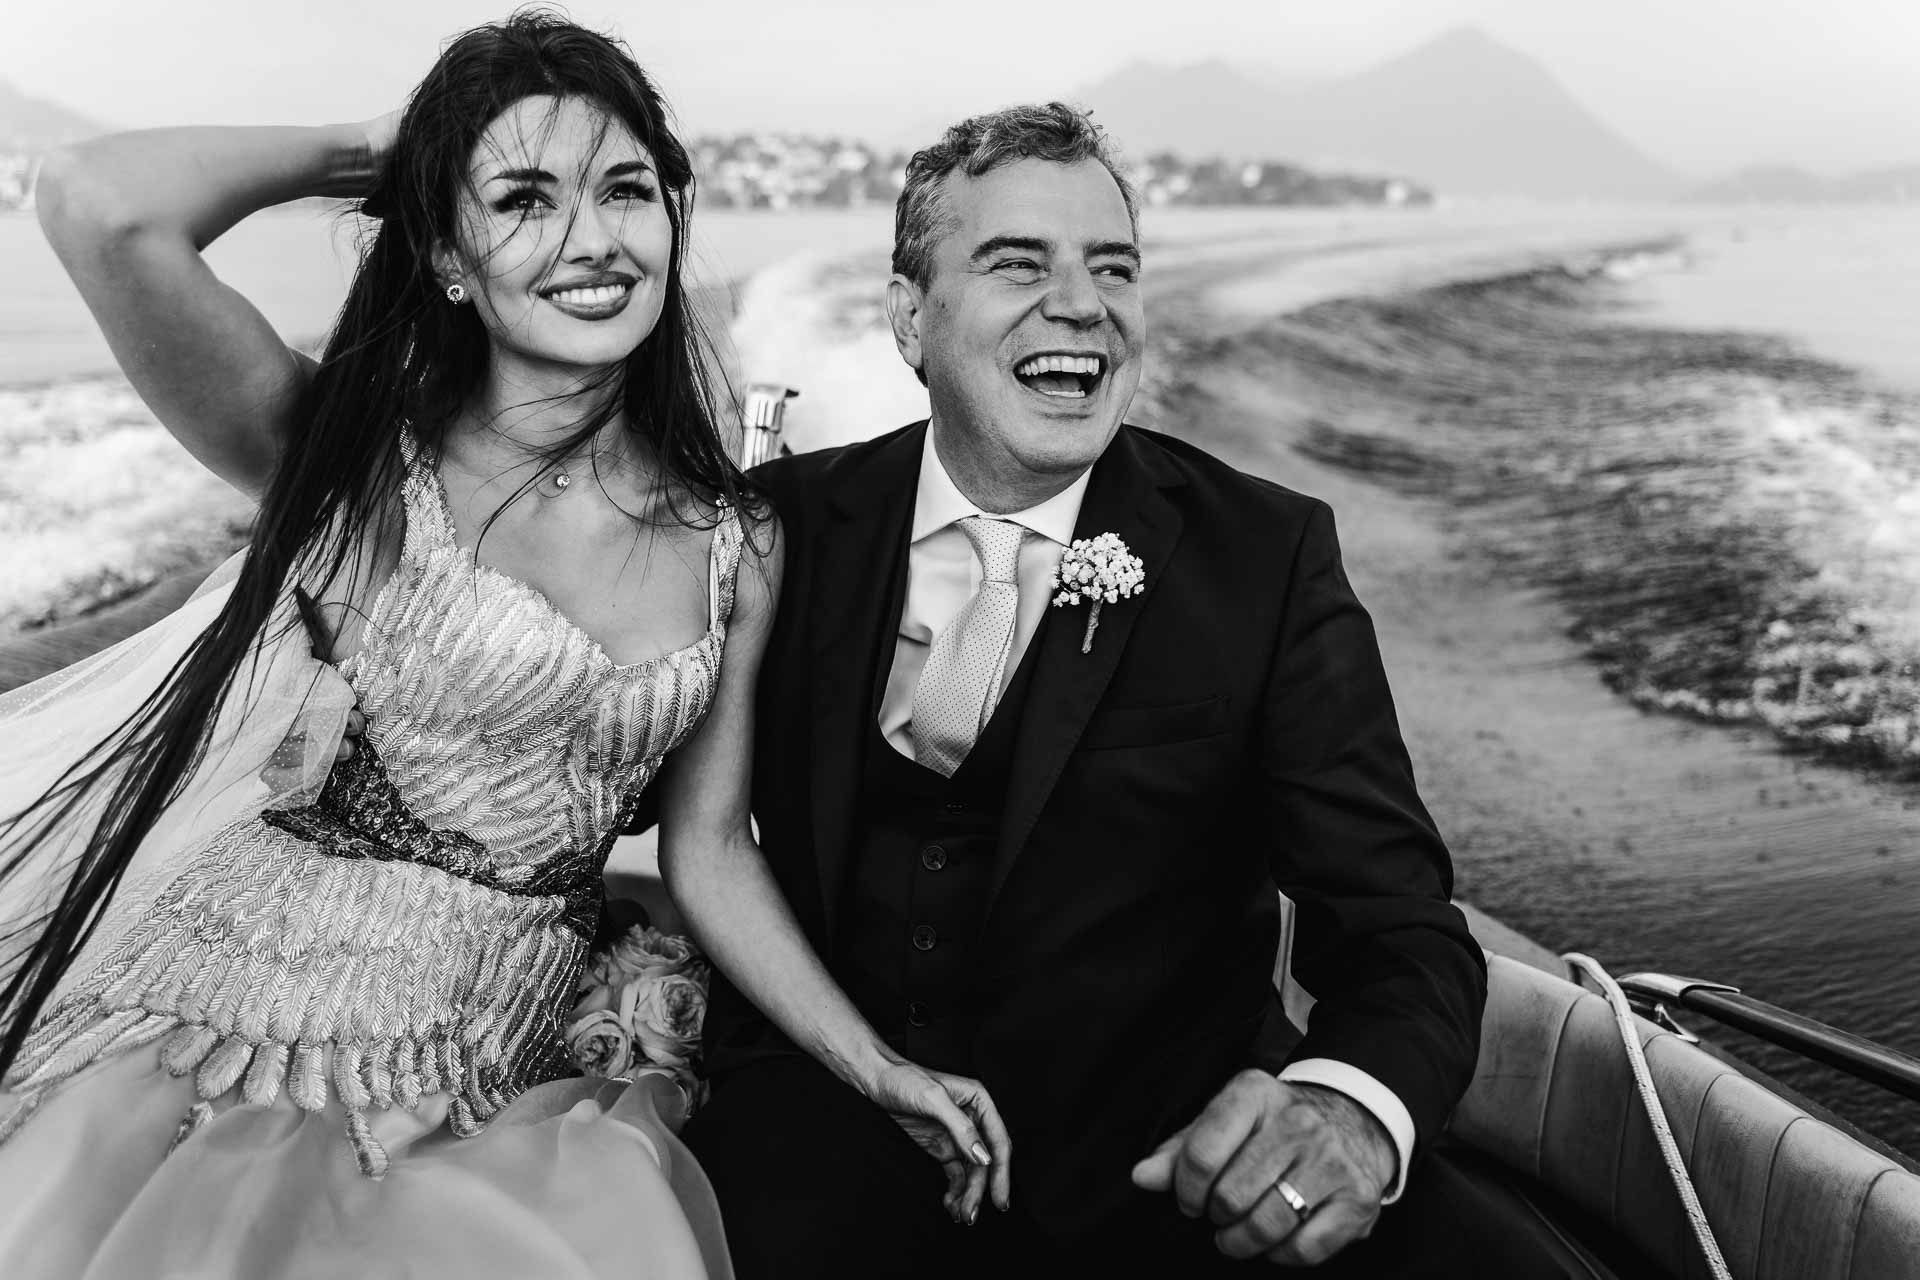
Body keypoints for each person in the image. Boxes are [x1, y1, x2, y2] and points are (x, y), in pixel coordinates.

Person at [0, 13, 1008, 1277]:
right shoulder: (357, 466)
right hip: (242, 1024)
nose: (592, 239)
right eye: (525, 200)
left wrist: (877, 1064)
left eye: (625, 189)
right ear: (447, 255)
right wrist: (385, 151)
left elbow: (706, 850)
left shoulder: (734, 541)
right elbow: (96, 202)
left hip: (505, 1055)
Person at [680, 103, 1575, 1277]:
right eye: (1018, 263)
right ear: (908, 318)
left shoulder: (1266, 558)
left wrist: (1349, 1109)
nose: (1081, 304)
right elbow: (660, 798)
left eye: (1113, 267)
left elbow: (1400, 928)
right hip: (827, 1138)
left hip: (1163, 1178)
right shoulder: (781, 527)